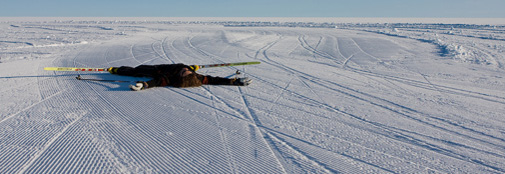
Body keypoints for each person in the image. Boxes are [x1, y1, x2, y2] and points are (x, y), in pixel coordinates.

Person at [107, 63, 252, 91]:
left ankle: (115, 70)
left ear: (180, 77)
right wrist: (235, 82)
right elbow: (215, 80)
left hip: (158, 70)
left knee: (138, 70)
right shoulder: (198, 77)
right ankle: (194, 65)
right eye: (188, 71)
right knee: (191, 65)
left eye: (185, 72)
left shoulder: (170, 78)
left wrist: (144, 85)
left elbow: (157, 82)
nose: (185, 70)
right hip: (169, 68)